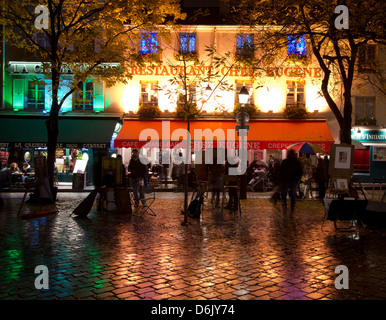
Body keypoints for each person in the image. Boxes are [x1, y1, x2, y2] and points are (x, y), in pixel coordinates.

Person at [279, 149, 302, 214]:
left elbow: (281, 171)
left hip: (286, 180)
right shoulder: (297, 162)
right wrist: (297, 179)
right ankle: (291, 207)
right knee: (292, 194)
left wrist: (282, 179)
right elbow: (300, 172)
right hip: (292, 180)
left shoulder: (285, 161)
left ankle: (286, 206)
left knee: (285, 194)